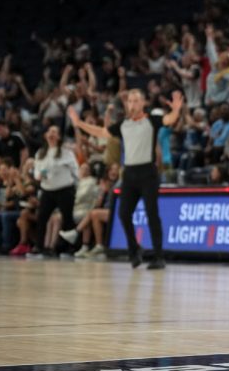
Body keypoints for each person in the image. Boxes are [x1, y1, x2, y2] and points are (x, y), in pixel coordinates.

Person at [69, 89, 183, 269]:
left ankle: (159, 256)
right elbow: (101, 132)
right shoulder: (123, 124)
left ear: (143, 103)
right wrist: (78, 123)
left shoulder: (151, 120)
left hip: (148, 173)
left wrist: (176, 109)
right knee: (123, 213)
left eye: (136, 101)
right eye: (130, 101)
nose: (133, 104)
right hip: (129, 173)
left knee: (152, 215)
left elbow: (169, 120)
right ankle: (135, 248)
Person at [26, 125, 78, 258]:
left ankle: (70, 249)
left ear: (59, 137)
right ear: (45, 135)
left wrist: (76, 185)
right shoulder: (40, 153)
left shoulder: (66, 152)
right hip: (47, 190)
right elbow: (37, 170)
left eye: (55, 132)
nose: (51, 134)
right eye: (49, 131)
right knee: (42, 217)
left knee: (67, 219)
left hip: (65, 189)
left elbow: (75, 169)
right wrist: (38, 175)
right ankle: (39, 247)